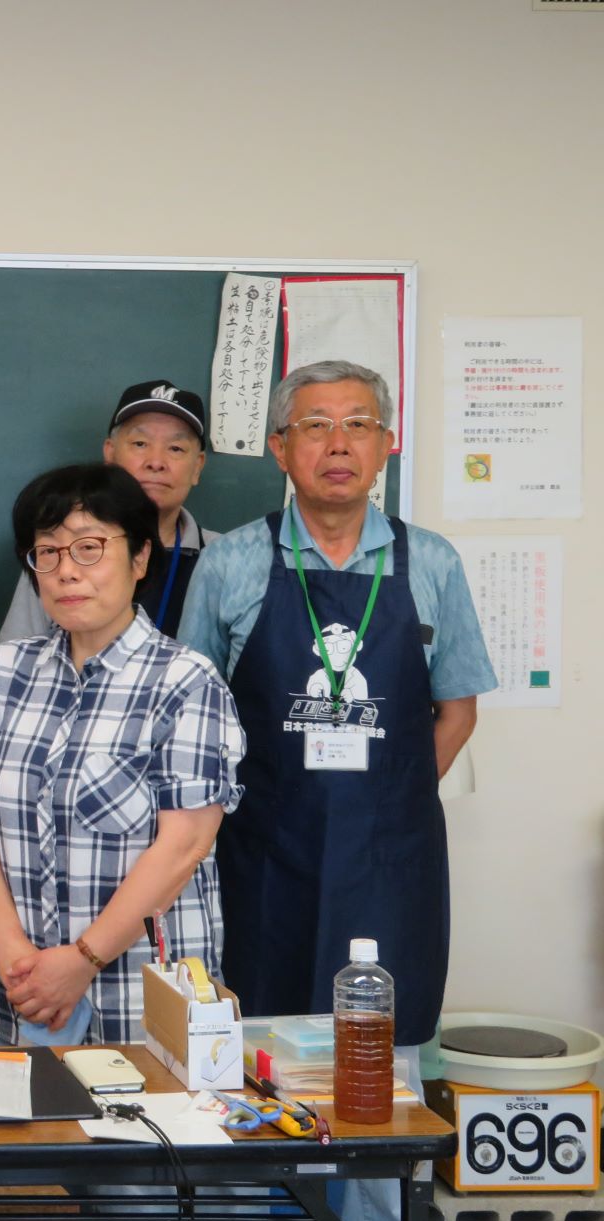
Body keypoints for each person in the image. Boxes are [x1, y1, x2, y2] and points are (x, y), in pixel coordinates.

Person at [178, 361, 495, 1158]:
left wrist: (394, 796)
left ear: (386, 444)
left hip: (391, 861)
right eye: (316, 426)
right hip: (261, 853)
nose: (338, 444)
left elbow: (457, 709)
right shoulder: (233, 563)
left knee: (378, 1072)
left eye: (358, 424)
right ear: (281, 449)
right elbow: (193, 714)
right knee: (252, 1059)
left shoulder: (432, 563)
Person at [0, 463, 244, 1046]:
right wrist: (16, 957)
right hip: (16, 990)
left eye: (89, 548)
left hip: (141, 1004)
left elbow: (184, 844)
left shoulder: (186, 681)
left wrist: (81, 960)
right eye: (48, 553)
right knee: (23, 1136)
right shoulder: (3, 671)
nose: (66, 572)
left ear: (139, 559)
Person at [0, 380, 216, 642]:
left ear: (197, 467)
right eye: (140, 443)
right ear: (110, 454)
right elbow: (16, 654)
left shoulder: (224, 558)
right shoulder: (57, 552)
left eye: (176, 448)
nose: (156, 462)